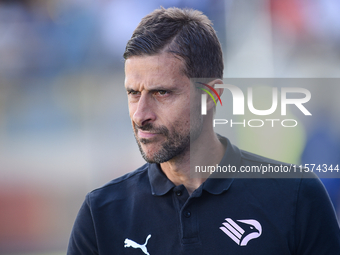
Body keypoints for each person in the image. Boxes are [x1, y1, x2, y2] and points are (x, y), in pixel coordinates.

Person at [67, 7, 340, 254]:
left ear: (212, 95)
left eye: (161, 93)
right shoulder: (101, 215)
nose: (141, 115)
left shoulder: (296, 196)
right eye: (133, 93)